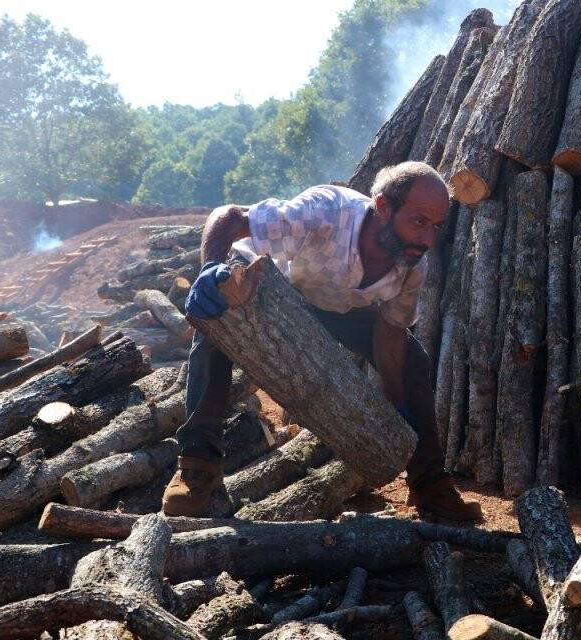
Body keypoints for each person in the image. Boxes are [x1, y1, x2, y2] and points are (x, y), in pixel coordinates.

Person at [163, 161, 483, 522]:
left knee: (413, 359)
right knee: (215, 326)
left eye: (436, 226)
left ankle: (431, 488)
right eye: (419, 222)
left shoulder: (411, 265)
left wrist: (396, 398)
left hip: (336, 306)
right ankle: (197, 467)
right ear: (383, 207)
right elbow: (229, 216)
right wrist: (209, 269)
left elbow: (390, 331)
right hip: (273, 287)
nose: (427, 239)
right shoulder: (325, 212)